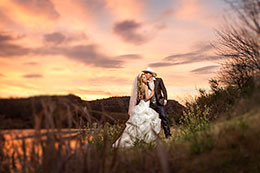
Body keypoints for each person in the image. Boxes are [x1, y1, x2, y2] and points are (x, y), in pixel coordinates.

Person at [112, 73, 161, 148]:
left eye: (145, 77)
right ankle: (143, 140)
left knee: (139, 124)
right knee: (146, 123)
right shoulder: (146, 86)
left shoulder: (139, 87)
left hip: (140, 105)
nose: (145, 78)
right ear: (141, 79)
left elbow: (138, 98)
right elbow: (147, 98)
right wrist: (152, 94)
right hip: (144, 106)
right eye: (144, 77)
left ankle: (135, 139)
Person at [142, 67, 172, 138]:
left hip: (159, 103)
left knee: (163, 117)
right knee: (152, 120)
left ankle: (167, 134)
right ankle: (153, 136)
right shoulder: (145, 83)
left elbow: (164, 90)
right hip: (150, 104)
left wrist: (165, 99)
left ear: (151, 74)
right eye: (145, 73)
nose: (146, 74)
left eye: (147, 73)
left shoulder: (159, 80)